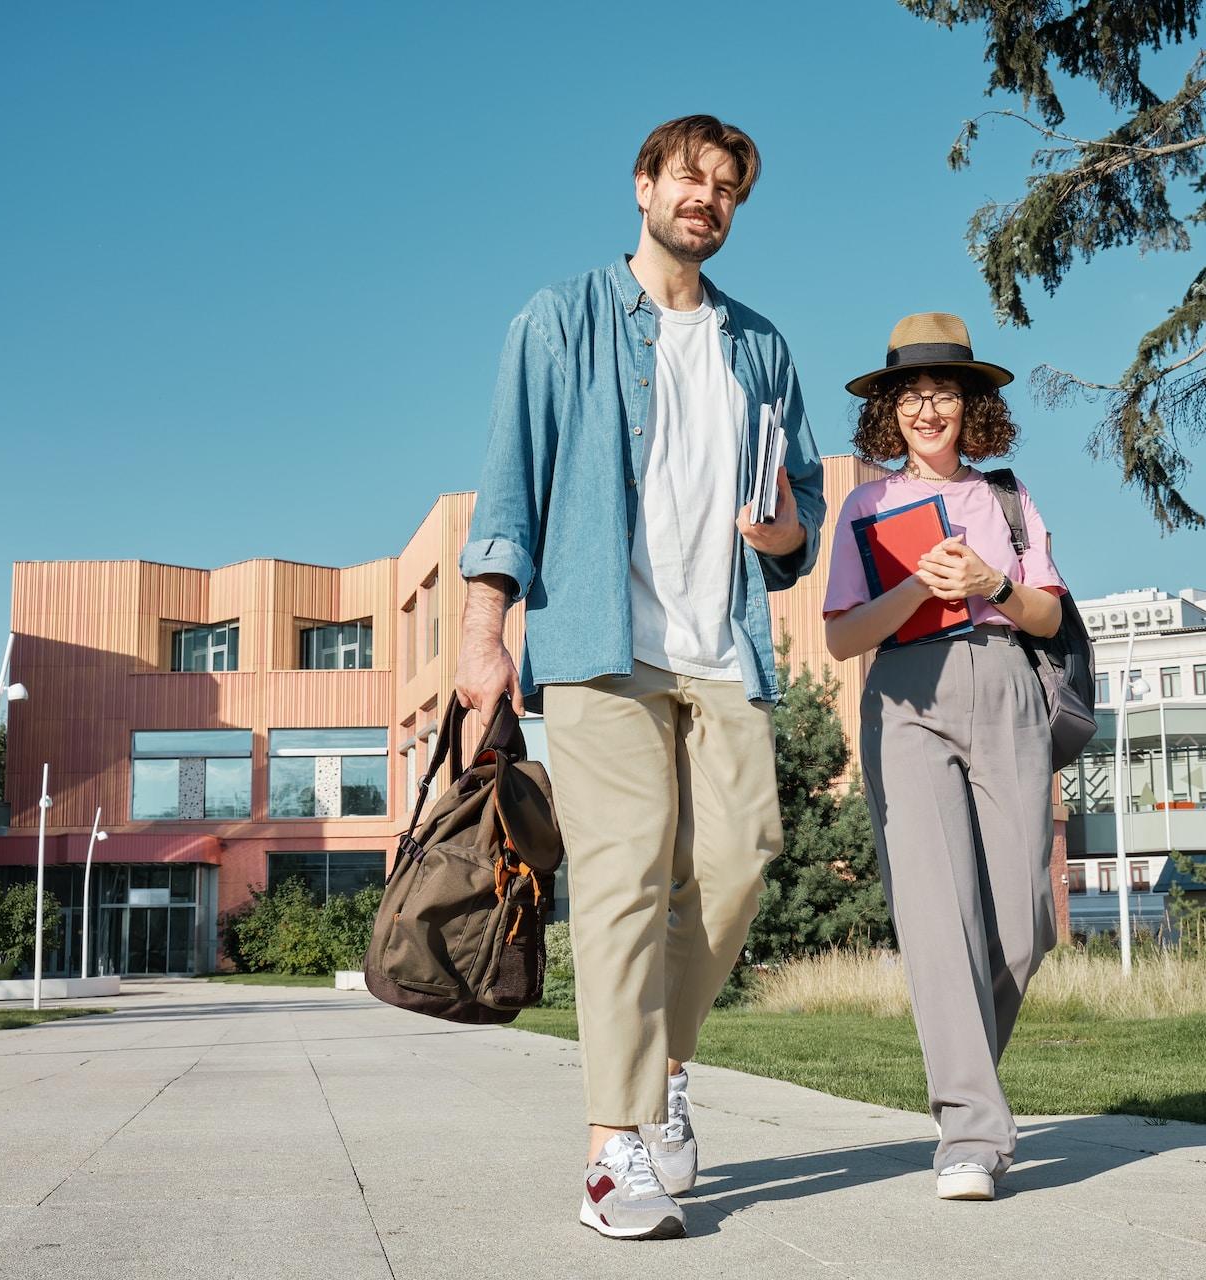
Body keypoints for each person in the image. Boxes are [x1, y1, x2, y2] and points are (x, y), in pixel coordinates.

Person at [455, 114, 824, 1241]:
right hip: (598, 644)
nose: (705, 197)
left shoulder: (758, 345)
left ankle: (662, 1070)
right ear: (643, 186)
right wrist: (483, 632)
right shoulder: (559, 318)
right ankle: (613, 1150)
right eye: (688, 177)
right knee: (620, 877)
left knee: (741, 856)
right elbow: (510, 481)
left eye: (726, 187)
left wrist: (779, 528)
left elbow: (799, 510)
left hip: (720, 645)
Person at [821, 312, 1065, 1201]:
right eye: (912, 395)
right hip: (905, 697)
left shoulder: (1008, 499)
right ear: (890, 410)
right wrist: (913, 588)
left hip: (1005, 686)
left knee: (1026, 920)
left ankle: (972, 1089)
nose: (929, 410)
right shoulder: (865, 505)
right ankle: (969, 1134)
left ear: (972, 406)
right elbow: (844, 638)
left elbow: (1048, 615)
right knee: (937, 918)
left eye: (945, 393)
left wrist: (990, 583)